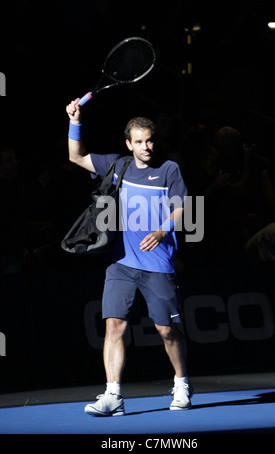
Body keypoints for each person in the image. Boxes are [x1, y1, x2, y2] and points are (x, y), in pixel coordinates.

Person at [66, 98, 193, 416]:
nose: (146, 146)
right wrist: (75, 121)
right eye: (139, 141)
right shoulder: (116, 165)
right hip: (120, 263)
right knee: (113, 326)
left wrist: (163, 231)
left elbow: (183, 208)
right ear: (129, 144)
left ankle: (181, 383)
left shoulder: (169, 169)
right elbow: (75, 155)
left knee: (167, 330)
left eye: (150, 140)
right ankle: (113, 395)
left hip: (158, 263)